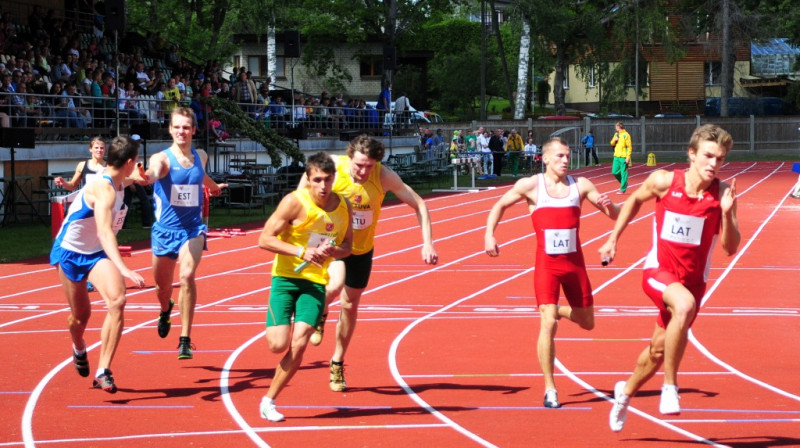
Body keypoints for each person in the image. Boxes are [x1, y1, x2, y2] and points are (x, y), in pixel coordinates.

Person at [601, 124, 740, 432]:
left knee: (657, 351)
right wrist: (613, 239)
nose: (713, 164)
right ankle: (670, 387)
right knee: (684, 305)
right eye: (708, 156)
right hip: (658, 273)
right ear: (691, 154)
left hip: (692, 282)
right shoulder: (664, 181)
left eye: (720, 159)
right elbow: (635, 200)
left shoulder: (723, 194)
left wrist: (728, 214)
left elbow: (730, 248)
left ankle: (624, 394)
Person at [485, 136, 620, 408]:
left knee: (587, 322)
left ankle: (556, 309)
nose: (565, 160)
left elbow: (614, 214)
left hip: (574, 265)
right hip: (547, 265)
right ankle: (550, 388)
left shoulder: (580, 185)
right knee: (548, 322)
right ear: (545, 158)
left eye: (568, 156)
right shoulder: (532, 186)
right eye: (560, 156)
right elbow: (499, 205)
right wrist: (489, 234)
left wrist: (611, 204)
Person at [298, 135, 438, 392]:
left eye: (369, 166)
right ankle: (321, 311)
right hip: (332, 244)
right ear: (348, 157)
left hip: (362, 249)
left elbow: (419, 203)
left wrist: (427, 242)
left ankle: (337, 362)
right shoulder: (331, 166)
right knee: (333, 286)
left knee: (350, 306)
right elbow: (300, 194)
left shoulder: (383, 176)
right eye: (359, 165)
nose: (363, 171)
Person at [257, 152, 354, 422]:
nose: (324, 186)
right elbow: (264, 239)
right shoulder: (293, 202)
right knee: (278, 345)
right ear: (309, 179)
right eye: (318, 180)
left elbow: (348, 246)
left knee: (300, 343)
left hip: (315, 283)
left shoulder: (344, 205)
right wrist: (302, 252)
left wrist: (335, 250)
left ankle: (269, 401)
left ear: (335, 178)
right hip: (285, 279)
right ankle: (280, 323)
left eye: (329, 179)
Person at [50, 136, 147, 393]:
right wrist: (125, 269)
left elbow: (134, 179)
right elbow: (105, 233)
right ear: (128, 162)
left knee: (117, 300)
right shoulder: (103, 189)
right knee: (80, 317)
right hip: (70, 253)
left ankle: (103, 370)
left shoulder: (118, 178)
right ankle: (78, 345)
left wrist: (144, 176)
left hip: (94, 254)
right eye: (136, 162)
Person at [141, 107, 227, 359]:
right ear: (170, 129)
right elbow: (153, 173)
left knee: (187, 276)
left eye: (186, 127)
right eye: (177, 127)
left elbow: (201, 177)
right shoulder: (162, 158)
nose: (182, 131)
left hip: (192, 229)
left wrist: (213, 187)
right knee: (162, 288)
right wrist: (145, 177)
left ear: (193, 130)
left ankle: (185, 339)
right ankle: (165, 308)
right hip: (165, 232)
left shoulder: (201, 155)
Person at [610, 122, 632, 194]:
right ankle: (624, 183)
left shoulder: (626, 135)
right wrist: (614, 140)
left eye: (616, 127)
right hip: (616, 156)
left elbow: (629, 147)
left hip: (623, 157)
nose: (615, 128)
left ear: (619, 127)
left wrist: (628, 157)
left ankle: (622, 189)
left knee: (624, 173)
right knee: (614, 172)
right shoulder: (616, 134)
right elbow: (611, 143)